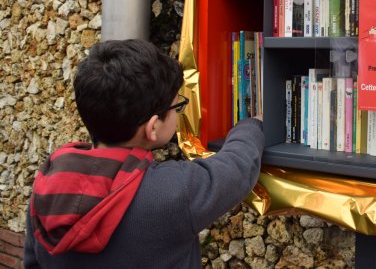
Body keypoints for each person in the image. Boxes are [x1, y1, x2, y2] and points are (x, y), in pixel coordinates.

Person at [23, 39, 264, 268]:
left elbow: (33, 262)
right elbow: (237, 168)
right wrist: (252, 124)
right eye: (176, 106)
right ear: (153, 127)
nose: (178, 112)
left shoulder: (48, 183)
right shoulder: (173, 193)